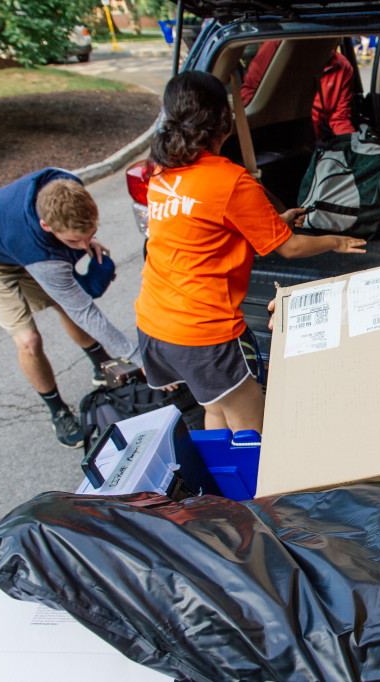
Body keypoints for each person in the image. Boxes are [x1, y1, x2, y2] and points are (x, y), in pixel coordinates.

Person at [135, 71, 366, 434]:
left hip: (156, 324)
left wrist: (272, 219)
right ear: (225, 122)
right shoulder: (230, 181)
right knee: (253, 427)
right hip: (203, 333)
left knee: (215, 408)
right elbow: (289, 247)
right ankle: (258, 492)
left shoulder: (162, 173)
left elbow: (204, 228)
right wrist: (335, 242)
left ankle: (225, 488)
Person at [0, 170, 141, 449]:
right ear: (47, 226)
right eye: (74, 242)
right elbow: (83, 310)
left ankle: (101, 366)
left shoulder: (67, 186)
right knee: (29, 340)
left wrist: (82, 240)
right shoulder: (37, 250)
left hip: (12, 243)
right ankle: (57, 410)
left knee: (65, 301)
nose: (84, 246)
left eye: (90, 235)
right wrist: (136, 356)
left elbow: (74, 299)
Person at [241, 40, 355, 140]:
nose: (333, 48)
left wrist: (351, 144)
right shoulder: (280, 47)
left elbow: (340, 118)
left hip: (314, 142)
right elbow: (249, 93)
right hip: (276, 136)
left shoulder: (343, 67)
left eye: (335, 42)